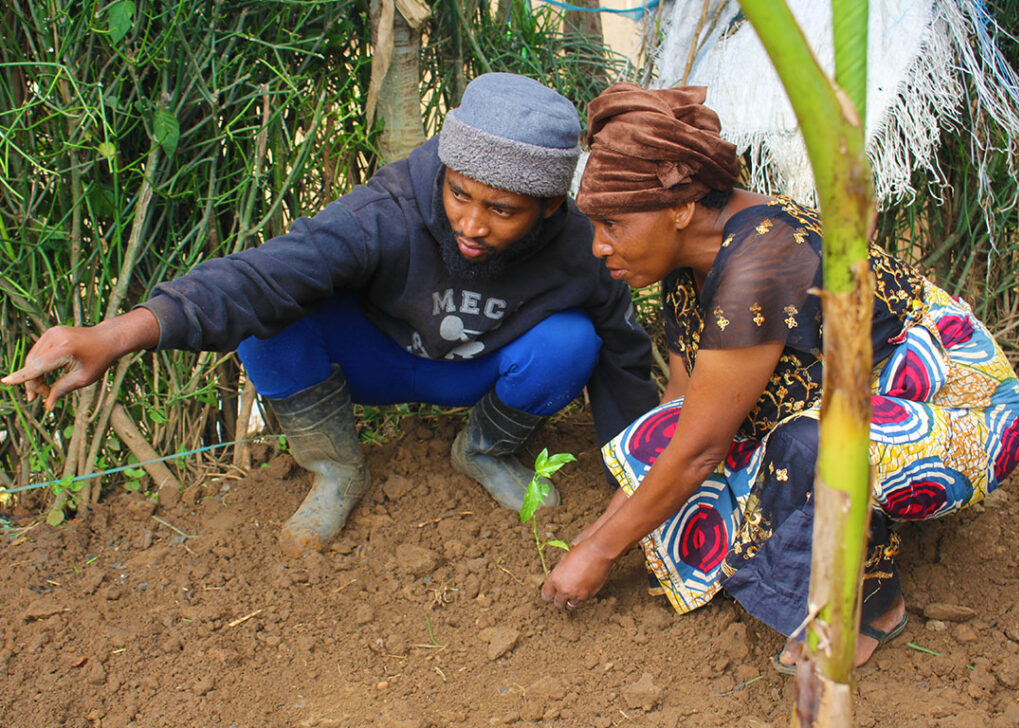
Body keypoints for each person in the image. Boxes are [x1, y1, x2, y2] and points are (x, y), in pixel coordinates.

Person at [1, 73, 658, 559]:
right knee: (272, 317)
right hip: (373, 359)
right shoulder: (385, 215)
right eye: (460, 195)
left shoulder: (583, 248)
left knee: (577, 340)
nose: (472, 223)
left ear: (547, 207)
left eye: (502, 210)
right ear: (446, 173)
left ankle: (484, 450)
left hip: (476, 372)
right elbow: (257, 279)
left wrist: (634, 491)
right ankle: (337, 468)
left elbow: (626, 358)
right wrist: (114, 336)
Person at [540, 82, 1019, 673]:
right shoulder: (688, 258)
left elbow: (700, 451)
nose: (598, 245)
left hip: (964, 412)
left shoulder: (762, 260)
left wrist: (597, 551)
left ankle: (871, 602)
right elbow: (678, 410)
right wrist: (606, 530)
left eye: (612, 223)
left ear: (680, 209)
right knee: (671, 431)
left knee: (810, 446)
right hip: (856, 403)